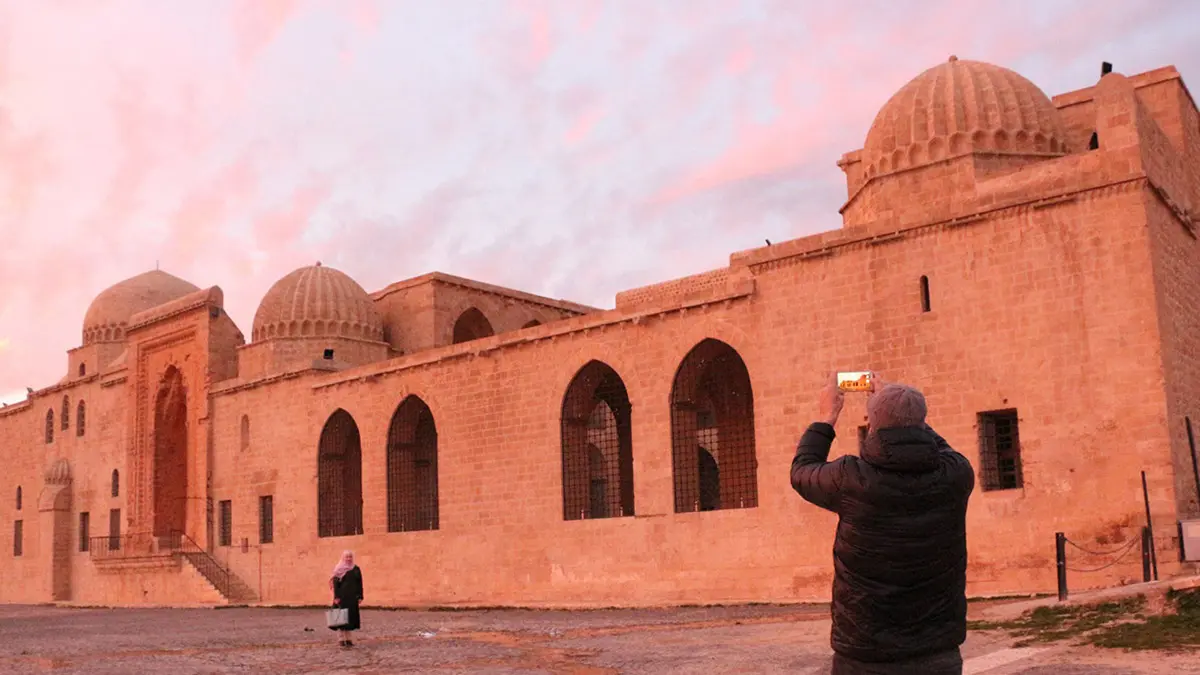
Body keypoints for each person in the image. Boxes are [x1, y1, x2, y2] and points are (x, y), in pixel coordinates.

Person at [790, 375, 975, 674]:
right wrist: (905, 410)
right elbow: (940, 448)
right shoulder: (957, 474)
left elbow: (802, 471)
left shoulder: (851, 479)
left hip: (865, 653)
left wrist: (827, 417)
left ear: (872, 425)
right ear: (923, 422)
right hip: (937, 649)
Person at [329, 550, 364, 648]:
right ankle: (341, 639)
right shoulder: (339, 569)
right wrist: (336, 597)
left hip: (352, 598)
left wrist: (360, 596)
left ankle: (348, 639)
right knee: (340, 619)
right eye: (346, 557)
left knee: (349, 618)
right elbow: (336, 584)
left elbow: (359, 583)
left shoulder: (356, 569)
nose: (349, 559)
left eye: (350, 557)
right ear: (343, 557)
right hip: (341, 598)